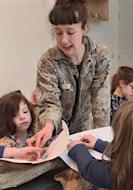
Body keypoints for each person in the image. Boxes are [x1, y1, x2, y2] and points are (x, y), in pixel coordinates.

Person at [28, 0, 110, 148]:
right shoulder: (48, 61)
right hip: (53, 133)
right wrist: (48, 126)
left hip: (82, 131)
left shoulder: (99, 55)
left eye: (70, 32)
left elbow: (100, 100)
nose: (64, 40)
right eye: (58, 33)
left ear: (84, 29)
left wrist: (101, 139)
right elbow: (50, 103)